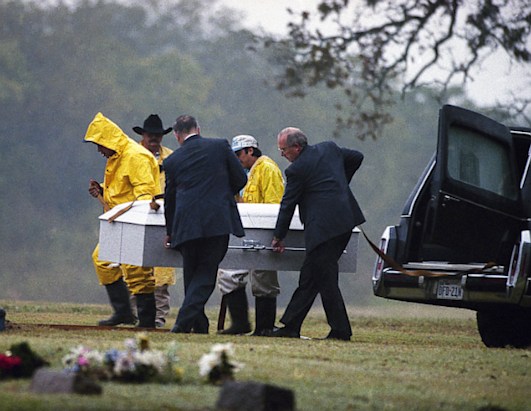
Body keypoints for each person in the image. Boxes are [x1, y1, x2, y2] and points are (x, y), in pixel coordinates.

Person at [270, 127, 365, 341]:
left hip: (323, 229)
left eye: (284, 150)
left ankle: (341, 330)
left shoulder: (297, 170)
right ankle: (290, 325)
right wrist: (339, 183)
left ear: (296, 147)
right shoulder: (329, 149)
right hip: (345, 220)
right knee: (310, 276)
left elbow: (288, 204)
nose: (282, 155)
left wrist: (278, 236)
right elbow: (357, 157)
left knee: (326, 279)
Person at [163, 115, 247, 334]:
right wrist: (221, 193)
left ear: (176, 135)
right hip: (216, 221)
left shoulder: (172, 161)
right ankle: (184, 322)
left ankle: (198, 325)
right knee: (206, 274)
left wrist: (170, 231)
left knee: (191, 274)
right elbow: (241, 178)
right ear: (198, 130)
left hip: (186, 224)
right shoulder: (219, 146)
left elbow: (169, 199)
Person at [84, 112, 160, 328]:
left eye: (99, 144)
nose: (99, 150)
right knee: (102, 260)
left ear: (108, 140)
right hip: (117, 223)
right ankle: (124, 313)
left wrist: (139, 223)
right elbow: (122, 189)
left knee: (138, 272)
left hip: (134, 223)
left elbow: (145, 195)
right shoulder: (116, 156)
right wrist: (101, 189)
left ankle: (147, 322)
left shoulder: (135, 156)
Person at [217, 135, 284, 336]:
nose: (237, 158)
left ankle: (265, 327)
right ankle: (240, 323)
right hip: (243, 231)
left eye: (239, 154)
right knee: (228, 274)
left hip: (263, 230)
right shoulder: (242, 173)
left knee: (264, 278)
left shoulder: (268, 169)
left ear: (251, 151)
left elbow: (274, 205)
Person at [132, 114, 176, 328]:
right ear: (143, 135)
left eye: (158, 135)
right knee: (136, 267)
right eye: (151, 135)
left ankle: (158, 317)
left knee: (161, 269)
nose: (154, 139)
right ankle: (139, 314)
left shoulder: (170, 157)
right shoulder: (133, 155)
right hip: (139, 214)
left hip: (164, 215)